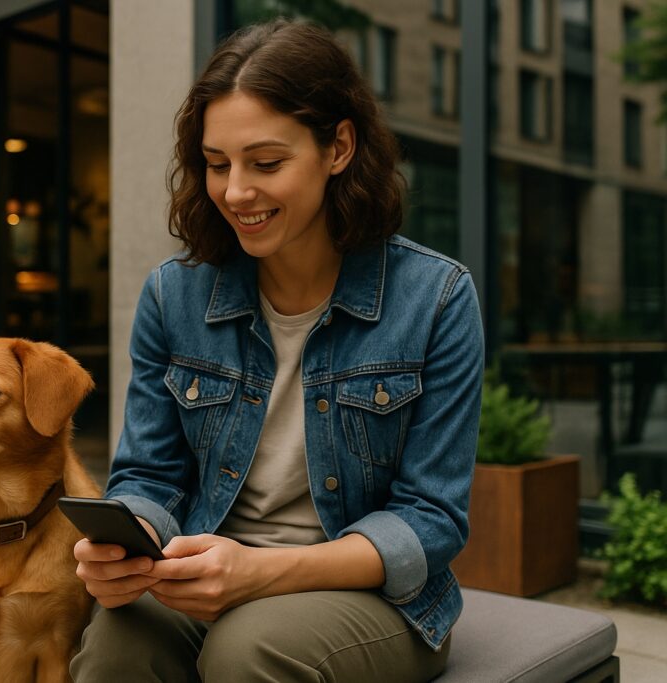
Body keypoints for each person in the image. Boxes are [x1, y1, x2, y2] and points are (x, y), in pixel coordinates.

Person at [71, 19, 483, 683]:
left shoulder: (435, 299)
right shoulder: (173, 297)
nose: (236, 192)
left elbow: (431, 519)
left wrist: (261, 571)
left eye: (266, 163)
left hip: (368, 594)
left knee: (246, 649)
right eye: (216, 163)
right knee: (116, 645)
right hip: (207, 573)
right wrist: (129, 541)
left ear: (339, 147)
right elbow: (149, 476)